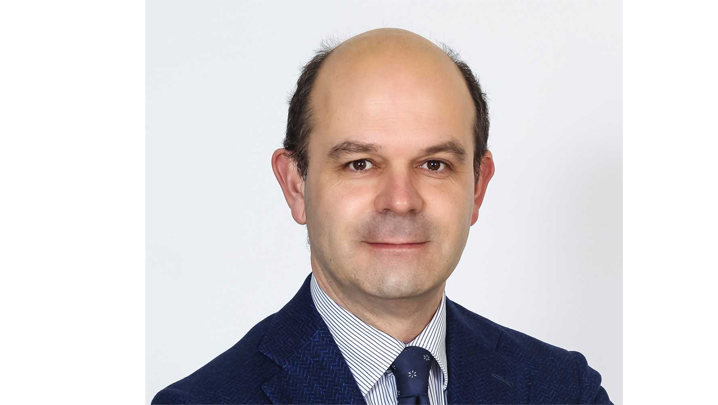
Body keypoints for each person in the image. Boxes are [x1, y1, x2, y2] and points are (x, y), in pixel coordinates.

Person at [152, 28, 612, 404]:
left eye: (434, 165)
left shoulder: (564, 390)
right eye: (360, 164)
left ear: (477, 186)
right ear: (296, 185)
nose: (400, 200)